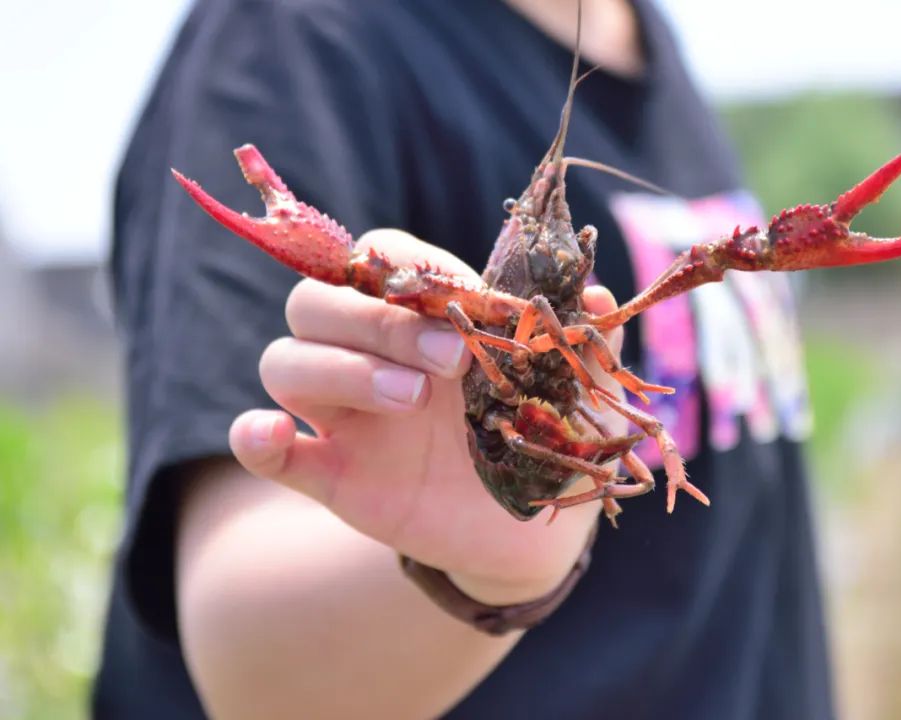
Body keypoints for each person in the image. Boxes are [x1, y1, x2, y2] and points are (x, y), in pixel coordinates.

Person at [94, 0, 835, 717]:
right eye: (521, 212)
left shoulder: (653, 39)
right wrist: (485, 573)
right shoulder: (294, 36)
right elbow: (250, 677)